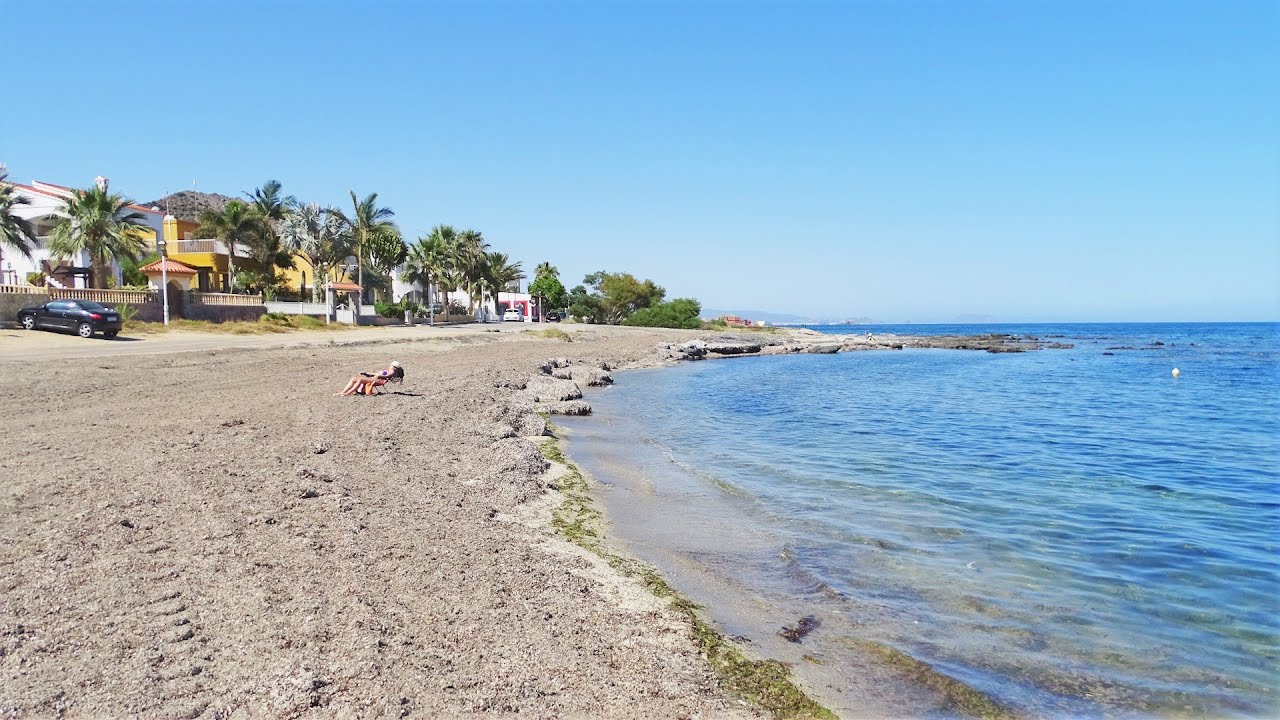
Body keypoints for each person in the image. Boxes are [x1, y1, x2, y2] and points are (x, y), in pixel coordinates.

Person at [337, 360, 403, 396]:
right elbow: (377, 374)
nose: (390, 366)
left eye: (391, 365)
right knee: (354, 378)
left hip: (378, 380)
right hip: (376, 378)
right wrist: (367, 373)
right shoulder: (390, 370)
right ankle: (343, 391)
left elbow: (386, 376)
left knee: (360, 379)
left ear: (394, 367)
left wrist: (379, 376)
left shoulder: (392, 371)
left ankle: (348, 393)